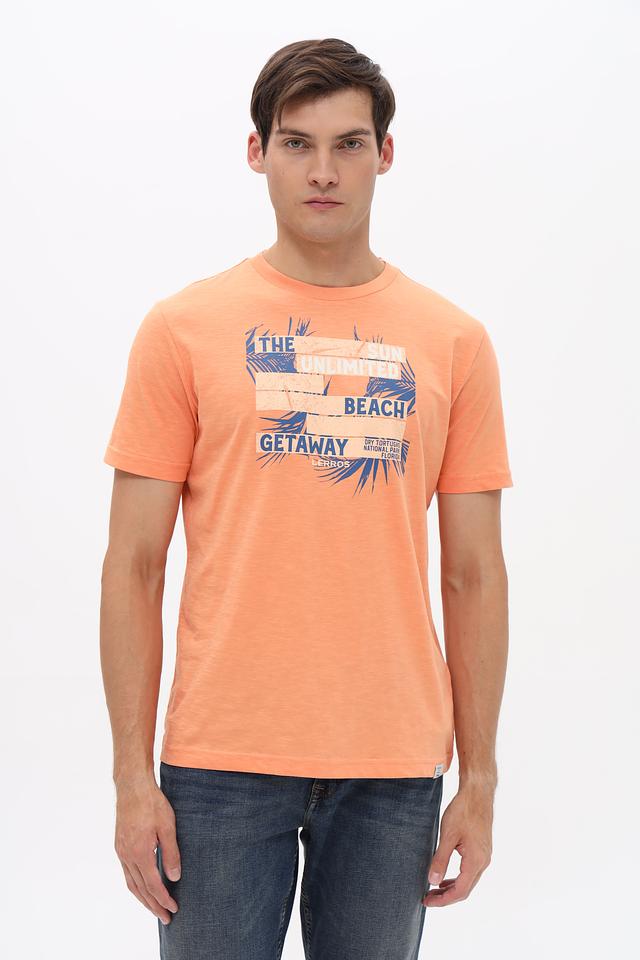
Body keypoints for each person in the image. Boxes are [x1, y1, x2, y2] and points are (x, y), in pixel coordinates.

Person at [100, 37, 513, 960]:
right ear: (258, 152)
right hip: (219, 761)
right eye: (297, 143)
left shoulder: (454, 342)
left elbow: (475, 573)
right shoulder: (183, 330)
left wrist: (480, 779)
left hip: (393, 764)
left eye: (349, 144)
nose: (323, 171)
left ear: (385, 154)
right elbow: (133, 565)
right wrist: (131, 776)